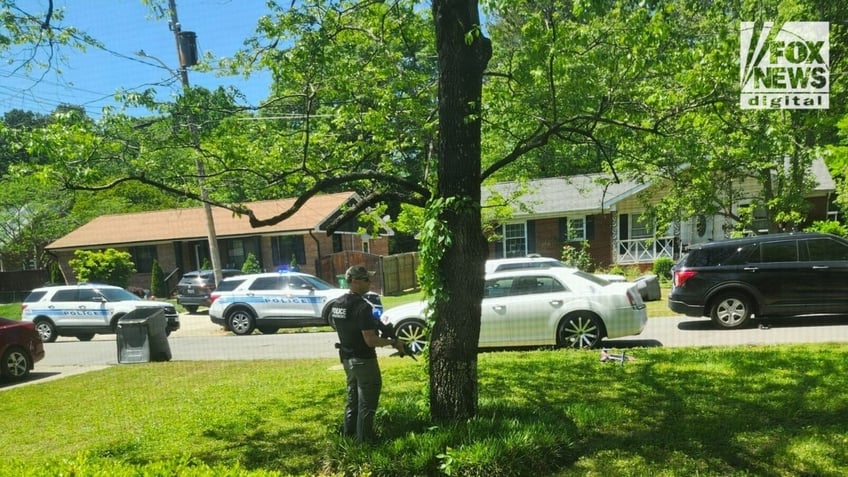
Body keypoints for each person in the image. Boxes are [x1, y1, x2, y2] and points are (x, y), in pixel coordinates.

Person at [325, 265, 405, 443]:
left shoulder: (337, 304)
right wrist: (393, 342)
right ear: (354, 281)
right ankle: (365, 442)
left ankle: (349, 436)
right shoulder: (362, 307)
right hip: (364, 360)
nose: (370, 282)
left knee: (352, 400)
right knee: (367, 403)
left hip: (347, 359)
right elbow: (371, 340)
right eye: (366, 279)